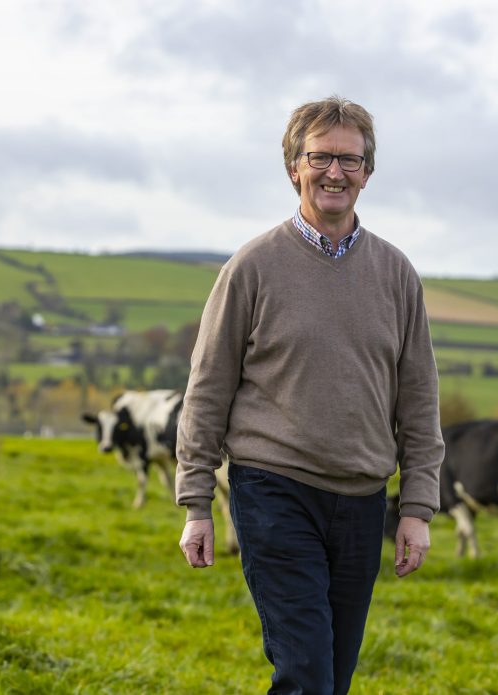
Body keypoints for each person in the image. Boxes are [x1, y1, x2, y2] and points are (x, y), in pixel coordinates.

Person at [176, 95, 444, 695]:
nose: (334, 173)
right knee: (306, 676)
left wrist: (417, 508)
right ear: (293, 167)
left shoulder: (397, 275)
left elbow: (419, 401)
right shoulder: (252, 268)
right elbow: (207, 388)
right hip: (274, 489)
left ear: (367, 174)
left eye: (349, 161)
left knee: (333, 677)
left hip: (362, 498)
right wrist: (196, 502)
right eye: (320, 157)